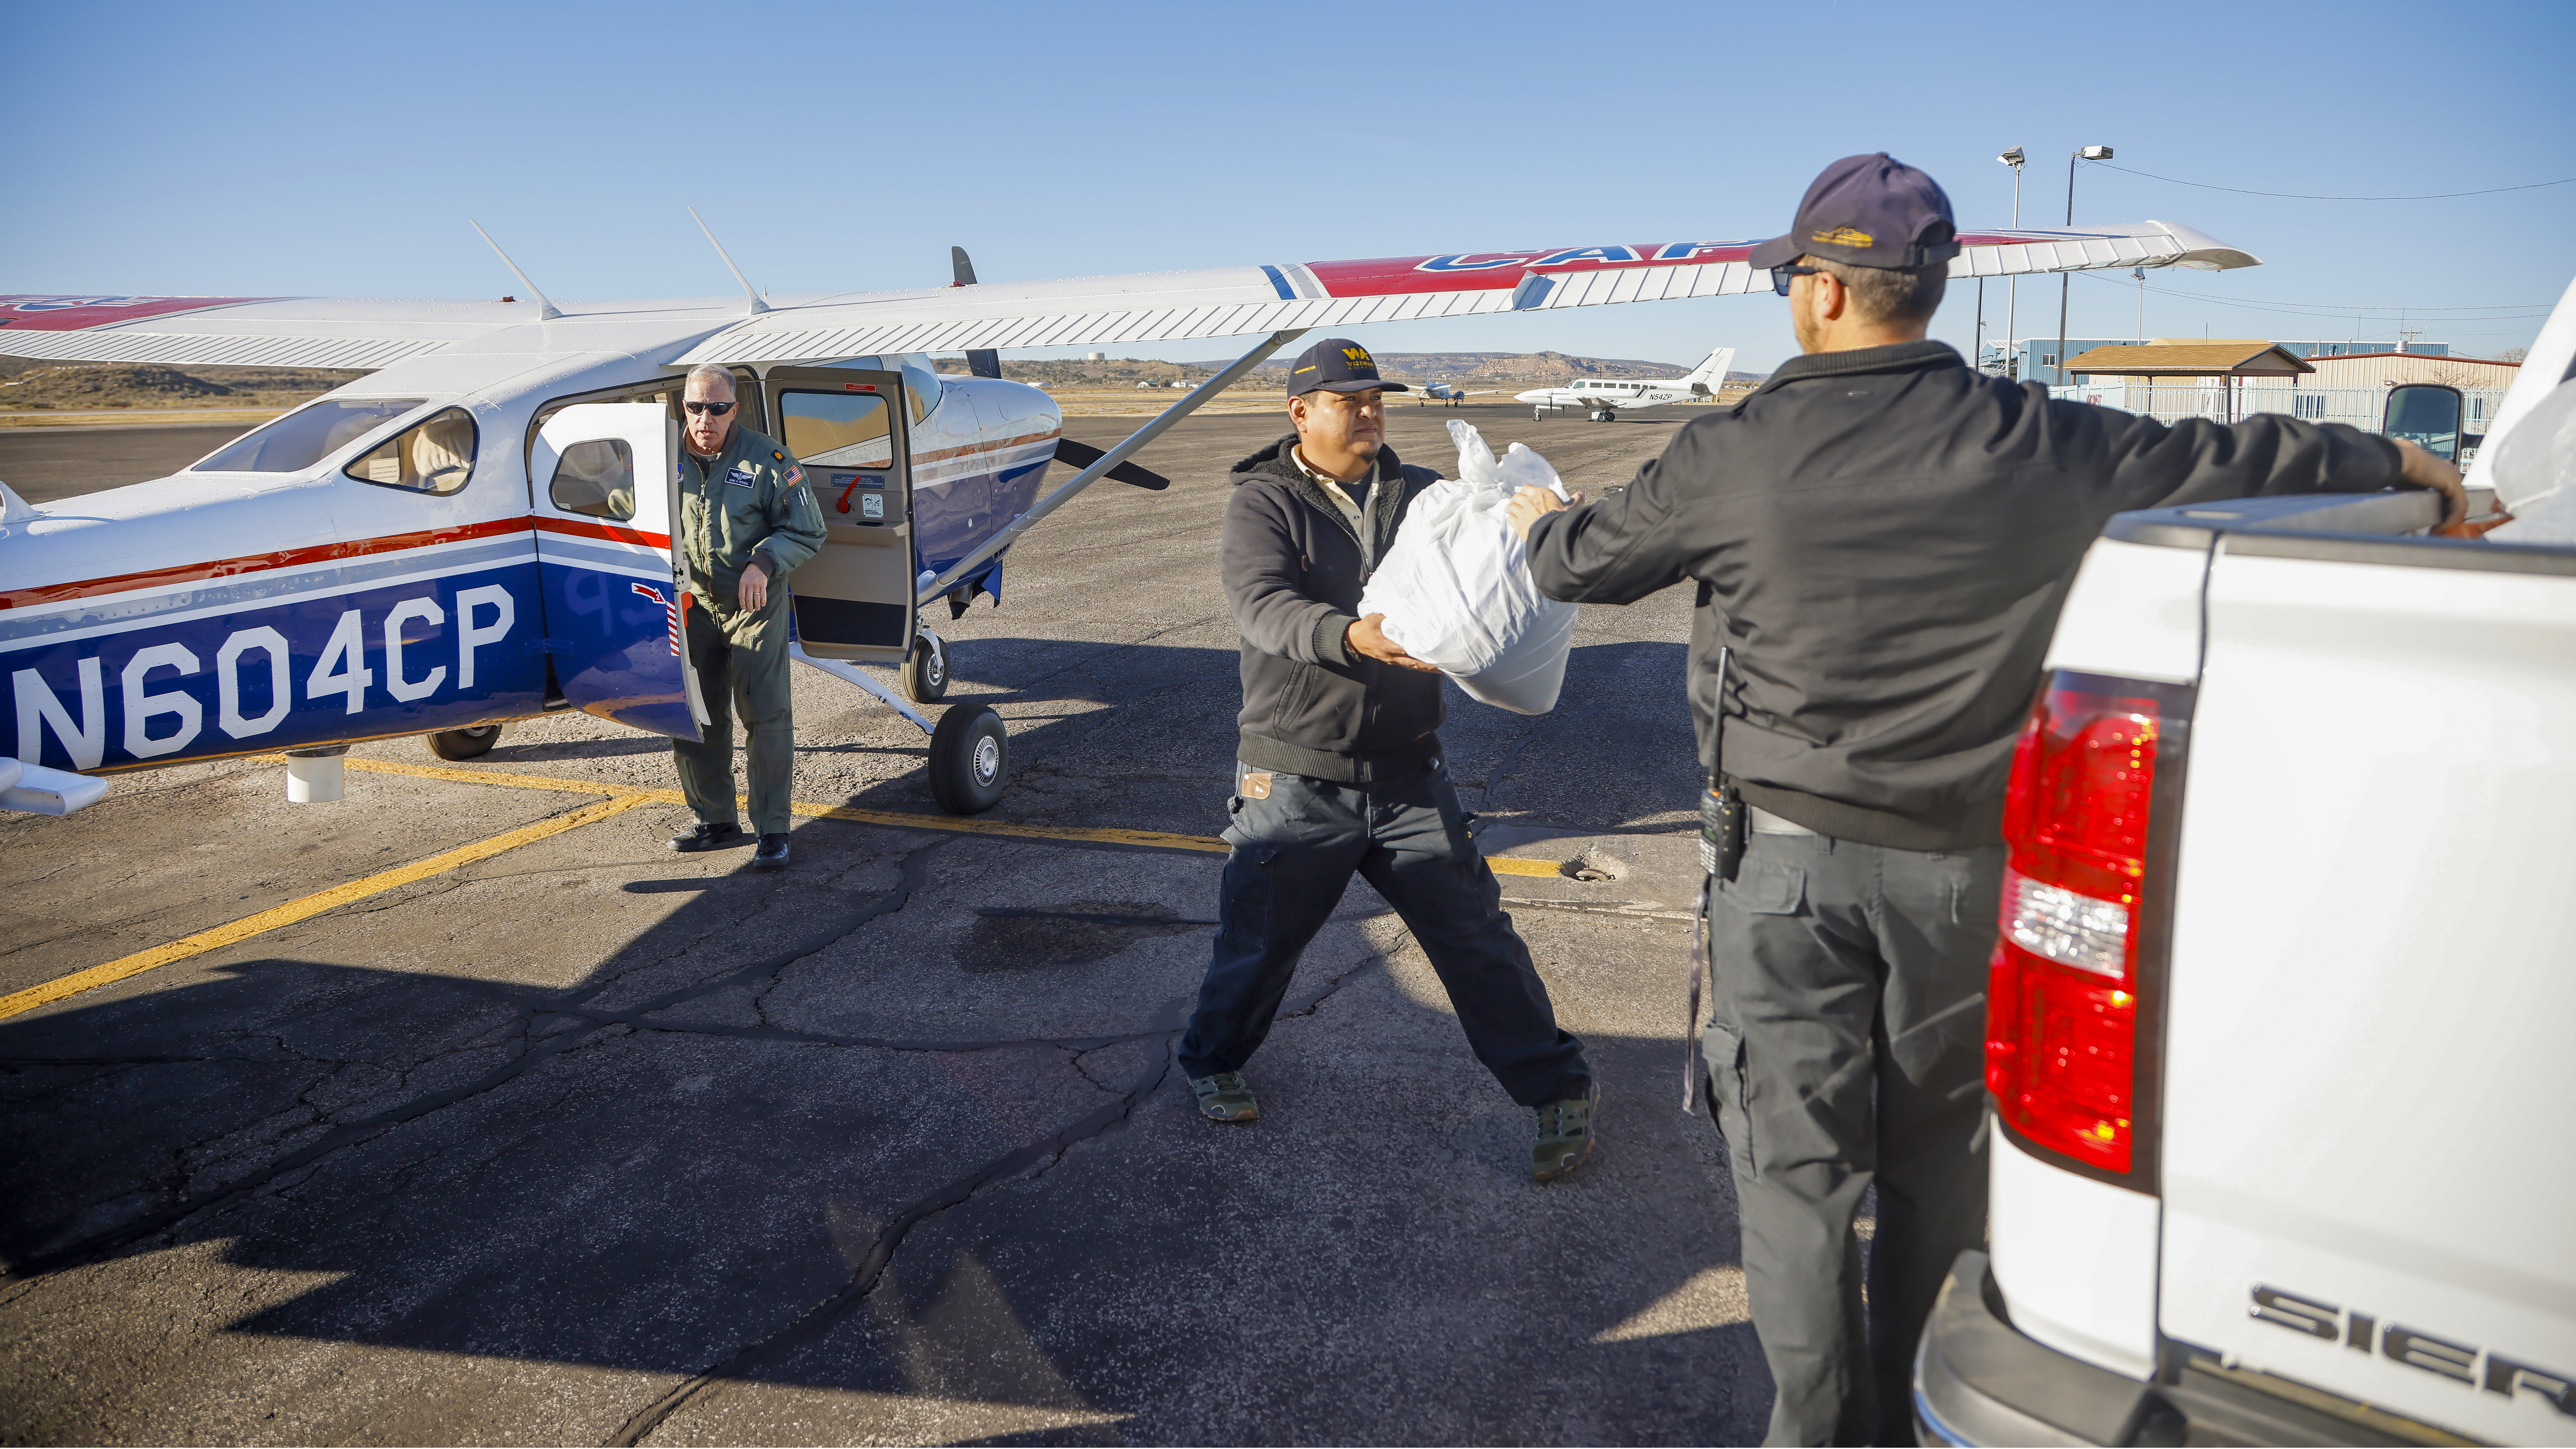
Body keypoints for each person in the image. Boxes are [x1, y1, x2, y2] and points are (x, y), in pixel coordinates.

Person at [1506, 154, 2464, 1444]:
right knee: (1938, 1178)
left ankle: (1817, 1430)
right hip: (1966, 879)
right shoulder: (2041, 440)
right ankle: (1906, 1414)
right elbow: (2225, 455)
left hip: (1781, 880)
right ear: (1930, 287)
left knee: (1793, 1183)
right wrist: (2393, 451)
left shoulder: (1732, 453)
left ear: (1825, 293)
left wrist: (1529, 516)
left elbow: (1579, 564)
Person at [1180, 337, 1602, 1181]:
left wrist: (1543, 529)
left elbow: (1487, 566)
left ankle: (1557, 1088)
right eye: (1349, 399)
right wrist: (1350, 637)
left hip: (1410, 770)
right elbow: (1263, 608)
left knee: (1476, 937)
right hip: (1296, 771)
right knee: (1260, 943)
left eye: (1377, 397)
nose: (1370, 410)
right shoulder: (1263, 501)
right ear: (1300, 412)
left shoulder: (1426, 494)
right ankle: (1211, 1060)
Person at [666, 363, 827, 870]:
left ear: (735, 409)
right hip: (690, 604)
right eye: (695, 407)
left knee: (766, 713)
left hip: (752, 606)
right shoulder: (662, 460)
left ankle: (773, 829)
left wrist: (764, 561)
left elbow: (807, 530)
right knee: (695, 713)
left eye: (716, 408)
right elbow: (630, 513)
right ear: (683, 407)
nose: (704, 418)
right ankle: (715, 819)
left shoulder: (769, 460)